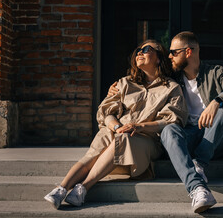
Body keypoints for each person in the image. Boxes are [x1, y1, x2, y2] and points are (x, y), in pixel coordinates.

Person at [108, 31, 223, 213]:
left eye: (174, 52)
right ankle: (198, 189)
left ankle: (199, 163)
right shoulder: (173, 79)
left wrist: (216, 102)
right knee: (168, 130)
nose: (169, 56)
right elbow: (146, 81)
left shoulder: (216, 72)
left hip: (215, 139)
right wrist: (117, 88)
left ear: (188, 52)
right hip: (188, 136)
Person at [44, 39, 187, 209]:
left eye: (147, 49)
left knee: (125, 138)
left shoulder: (171, 88)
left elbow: (171, 120)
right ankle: (61, 188)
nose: (140, 52)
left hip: (145, 141)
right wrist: (117, 127)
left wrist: (138, 126)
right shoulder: (124, 83)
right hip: (118, 131)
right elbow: (106, 112)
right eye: (138, 50)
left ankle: (84, 187)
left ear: (158, 58)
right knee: (101, 142)